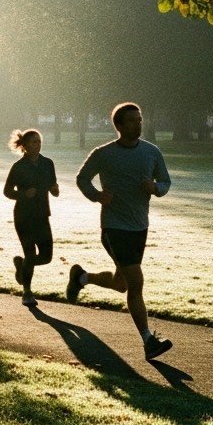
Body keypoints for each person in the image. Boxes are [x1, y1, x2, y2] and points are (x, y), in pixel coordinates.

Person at [68, 102, 174, 360]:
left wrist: (155, 188)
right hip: (114, 227)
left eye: (140, 120)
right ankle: (149, 341)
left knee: (121, 285)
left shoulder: (151, 152)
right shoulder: (103, 153)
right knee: (136, 282)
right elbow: (82, 178)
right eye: (132, 121)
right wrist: (97, 196)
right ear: (119, 125)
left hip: (140, 226)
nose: (138, 124)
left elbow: (166, 181)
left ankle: (81, 277)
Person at [3, 128, 59, 308]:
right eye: (34, 142)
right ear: (25, 146)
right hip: (24, 216)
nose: (37, 145)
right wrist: (23, 194)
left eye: (39, 142)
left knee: (46, 256)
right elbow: (7, 191)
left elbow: (53, 186)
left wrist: (55, 190)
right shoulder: (19, 167)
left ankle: (22, 266)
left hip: (42, 215)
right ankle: (27, 292)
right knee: (29, 253)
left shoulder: (48, 164)